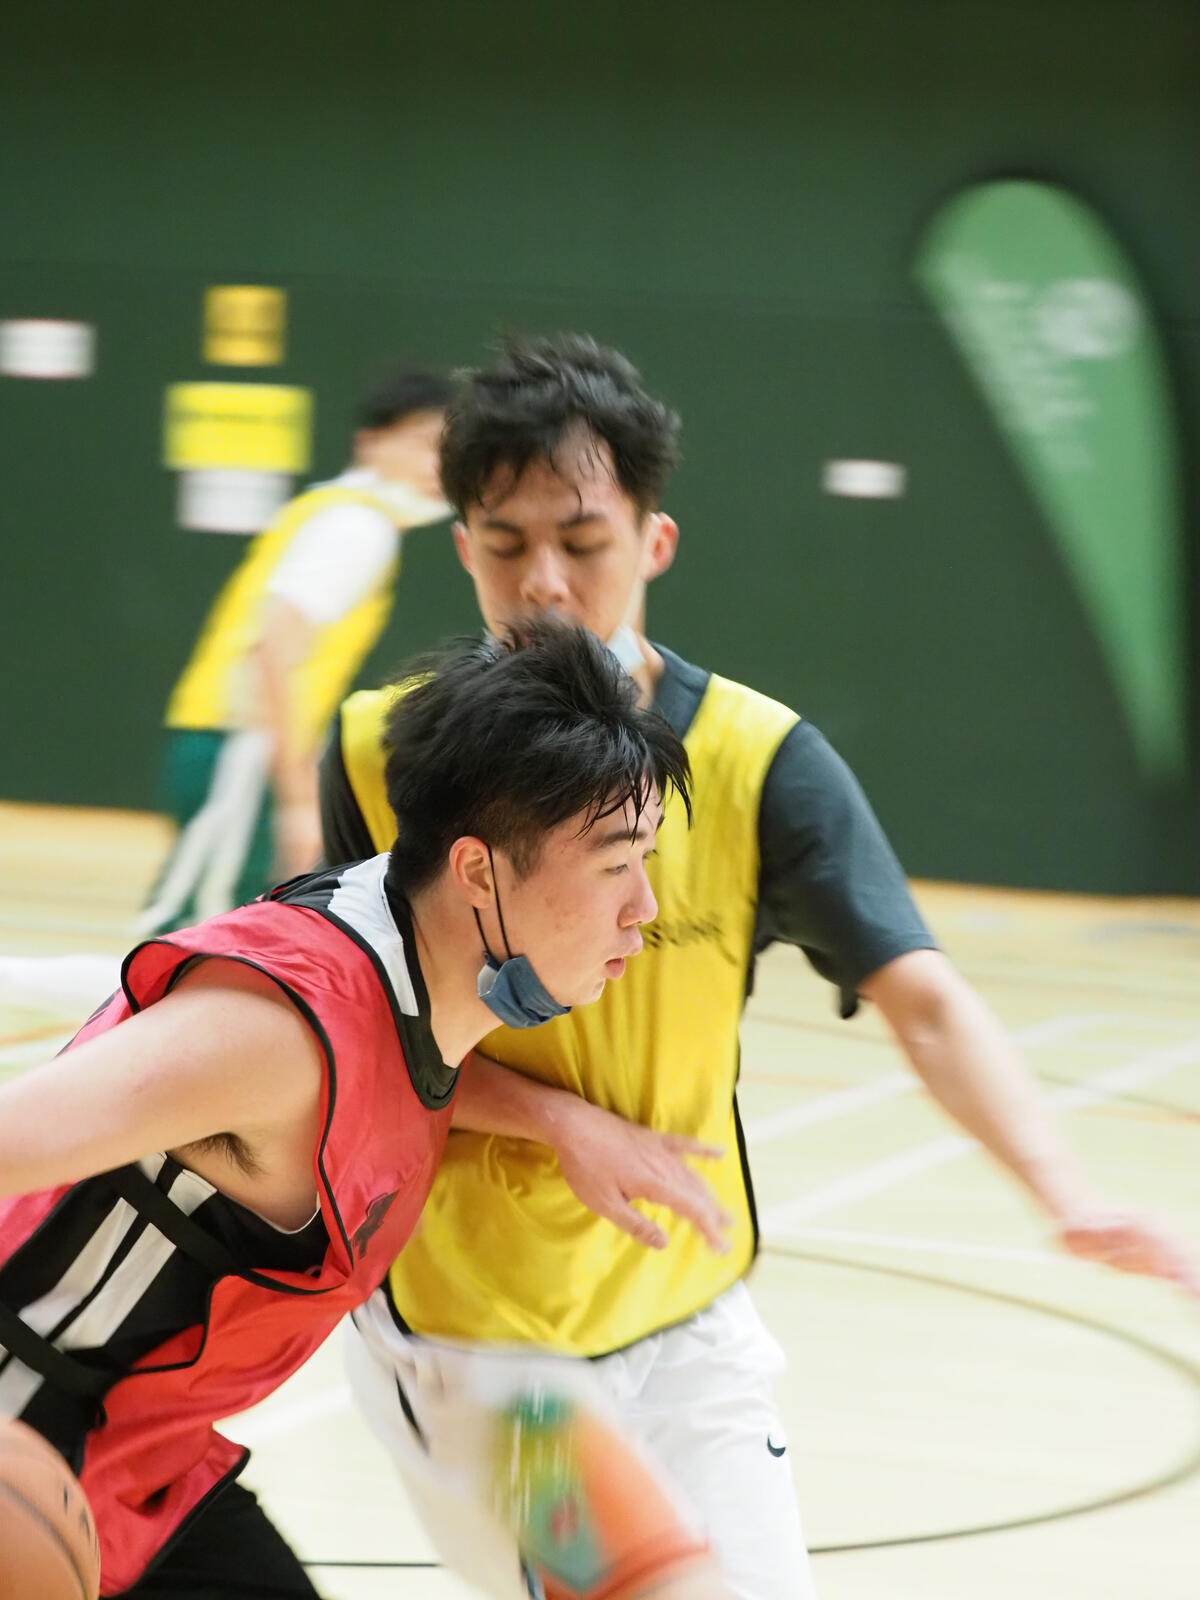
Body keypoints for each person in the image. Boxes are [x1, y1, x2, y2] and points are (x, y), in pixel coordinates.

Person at [321, 333, 1200, 1600]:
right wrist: (561, 1121)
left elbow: (924, 997)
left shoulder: (755, 760)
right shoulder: (382, 756)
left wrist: (1064, 1190)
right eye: (506, 544)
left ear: (655, 541)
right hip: (484, 1355)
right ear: (462, 546)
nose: (545, 582)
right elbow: (363, 1036)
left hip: (690, 1315)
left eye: (583, 539)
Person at [0, 619, 731, 1600]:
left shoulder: (415, 948)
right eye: (614, 864)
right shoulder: (280, 1033)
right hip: (29, 1437)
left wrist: (561, 1121)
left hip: (145, 1462)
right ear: (478, 871)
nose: (644, 905)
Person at [137, 365, 455, 937]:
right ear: (371, 442)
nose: (438, 465)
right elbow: (274, 648)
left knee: (219, 939)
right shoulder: (357, 526)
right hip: (237, 751)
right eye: (424, 442)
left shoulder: (335, 512)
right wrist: (297, 796)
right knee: (185, 937)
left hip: (240, 750)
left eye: (450, 449)